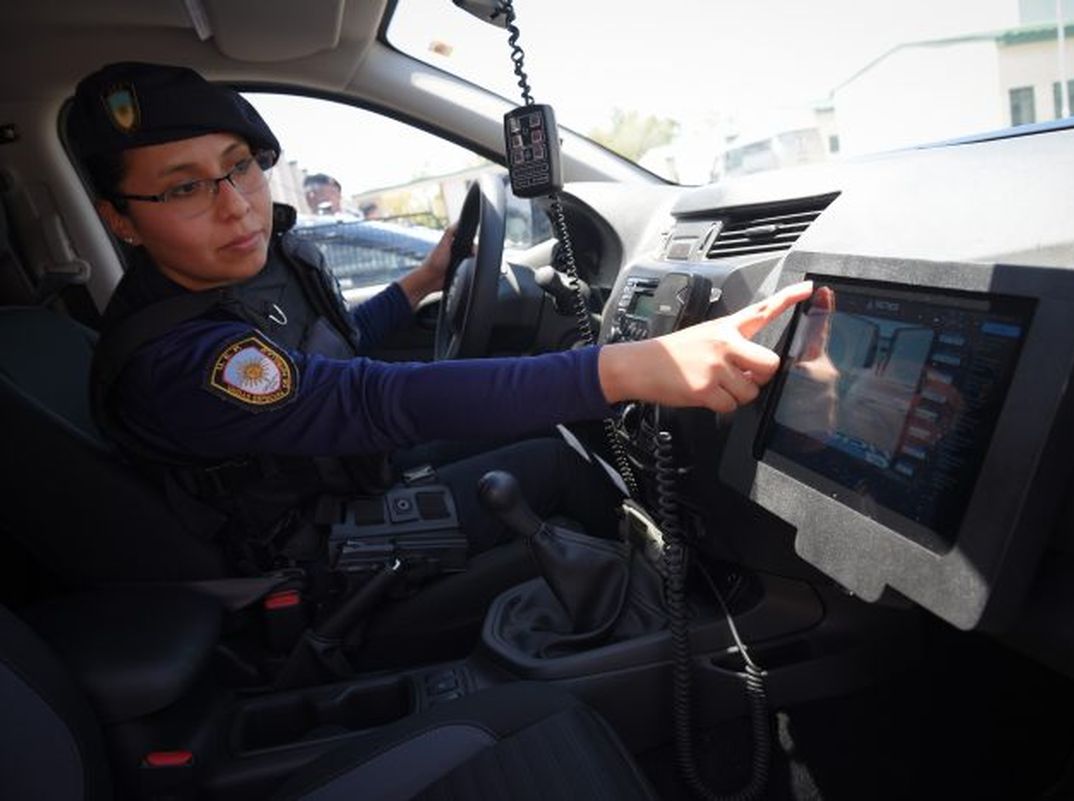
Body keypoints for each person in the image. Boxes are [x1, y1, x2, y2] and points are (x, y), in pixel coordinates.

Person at [68, 61, 813, 574]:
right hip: (304, 546)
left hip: (336, 471)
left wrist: (424, 281)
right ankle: (690, 605)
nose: (234, 203)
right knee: (557, 458)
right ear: (122, 222)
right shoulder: (183, 358)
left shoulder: (255, 268)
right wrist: (625, 367)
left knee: (536, 425)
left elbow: (337, 352)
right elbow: (363, 398)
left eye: (239, 165)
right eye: (183, 188)